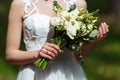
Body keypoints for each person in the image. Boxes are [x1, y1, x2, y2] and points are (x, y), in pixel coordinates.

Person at [5, 0, 109, 80]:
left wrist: (91, 40)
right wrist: (37, 54)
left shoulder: (79, 4)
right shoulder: (20, 4)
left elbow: (78, 55)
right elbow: (10, 55)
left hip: (68, 73)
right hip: (33, 74)